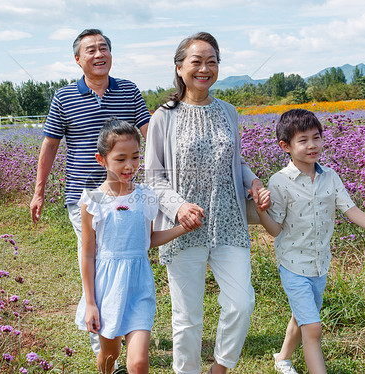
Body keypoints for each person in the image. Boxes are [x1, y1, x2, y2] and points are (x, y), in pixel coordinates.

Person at [145, 32, 270, 374]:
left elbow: (237, 163)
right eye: (196, 61)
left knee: (242, 303)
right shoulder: (163, 117)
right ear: (180, 68)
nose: (205, 68)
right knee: (187, 317)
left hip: (229, 222)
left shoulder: (228, 112)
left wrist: (254, 181)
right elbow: (153, 178)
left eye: (212, 61)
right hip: (182, 229)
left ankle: (221, 366)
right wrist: (178, 207)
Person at [29, 29, 152, 356]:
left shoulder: (128, 91)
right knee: (98, 258)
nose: (99, 55)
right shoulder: (64, 97)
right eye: (91, 50)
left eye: (104, 49)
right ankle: (104, 332)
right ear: (77, 59)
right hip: (84, 197)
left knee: (127, 256)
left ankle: (126, 325)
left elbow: (150, 134)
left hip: (128, 195)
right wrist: (38, 191)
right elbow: (50, 145)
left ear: (111, 54)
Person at [254, 109, 365, 374]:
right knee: (313, 327)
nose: (312, 145)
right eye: (303, 140)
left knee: (303, 315)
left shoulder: (330, 176)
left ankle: (282, 358)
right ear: (285, 146)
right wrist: (261, 212)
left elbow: (351, 210)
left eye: (317, 137)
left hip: (320, 264)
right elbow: (275, 230)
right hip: (292, 265)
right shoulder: (279, 182)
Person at [76, 118, 189, 373]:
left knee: (138, 362)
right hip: (106, 289)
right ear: (101, 159)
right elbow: (88, 254)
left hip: (139, 286)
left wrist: (182, 227)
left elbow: (148, 241)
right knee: (109, 354)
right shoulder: (93, 201)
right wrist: (91, 302)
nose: (130, 166)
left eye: (136, 157)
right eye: (120, 159)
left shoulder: (146, 196)